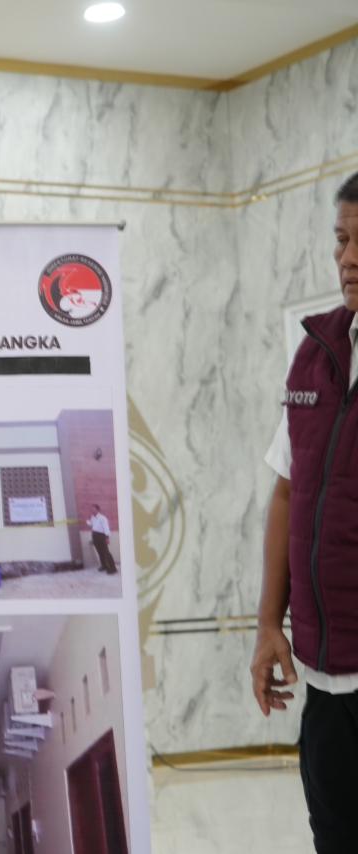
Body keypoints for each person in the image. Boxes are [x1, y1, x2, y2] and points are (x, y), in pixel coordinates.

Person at [252, 171, 358, 853]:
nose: (348, 258)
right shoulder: (316, 357)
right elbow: (289, 491)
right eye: (341, 241)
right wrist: (270, 624)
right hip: (324, 679)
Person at [86, 505, 117, 574]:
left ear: (98, 510)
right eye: (91, 509)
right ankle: (104, 566)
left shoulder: (102, 518)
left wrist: (107, 537)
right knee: (99, 552)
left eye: (94, 509)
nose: (92, 511)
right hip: (95, 535)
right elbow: (91, 525)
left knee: (106, 552)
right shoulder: (92, 517)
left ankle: (113, 568)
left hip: (101, 536)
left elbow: (106, 528)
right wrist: (88, 520)